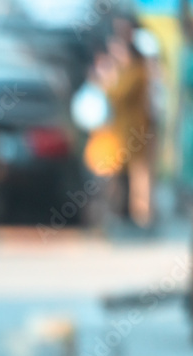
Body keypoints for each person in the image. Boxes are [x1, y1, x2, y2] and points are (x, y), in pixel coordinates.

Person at [98, 17, 157, 227]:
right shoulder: (128, 70)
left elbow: (117, 94)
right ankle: (125, 214)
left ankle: (141, 216)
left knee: (139, 175)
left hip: (136, 130)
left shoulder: (135, 71)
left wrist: (108, 78)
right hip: (124, 132)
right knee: (123, 174)